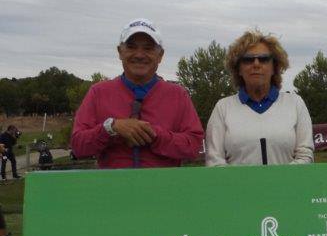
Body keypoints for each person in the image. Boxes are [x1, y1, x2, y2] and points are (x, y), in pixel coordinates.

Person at [71, 19, 204, 168]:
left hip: (164, 188)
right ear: (120, 52)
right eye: (131, 47)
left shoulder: (178, 94)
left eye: (148, 48)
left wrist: (154, 135)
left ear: (160, 55)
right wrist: (111, 128)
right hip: (111, 188)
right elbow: (78, 146)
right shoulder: (98, 92)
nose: (139, 55)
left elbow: (194, 146)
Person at [205, 30, 313, 166]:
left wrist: (280, 182)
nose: (256, 64)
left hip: (287, 186)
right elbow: (214, 161)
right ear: (238, 69)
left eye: (263, 59)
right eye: (248, 59)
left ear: (275, 67)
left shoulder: (295, 104)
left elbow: (305, 156)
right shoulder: (223, 108)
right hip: (237, 187)